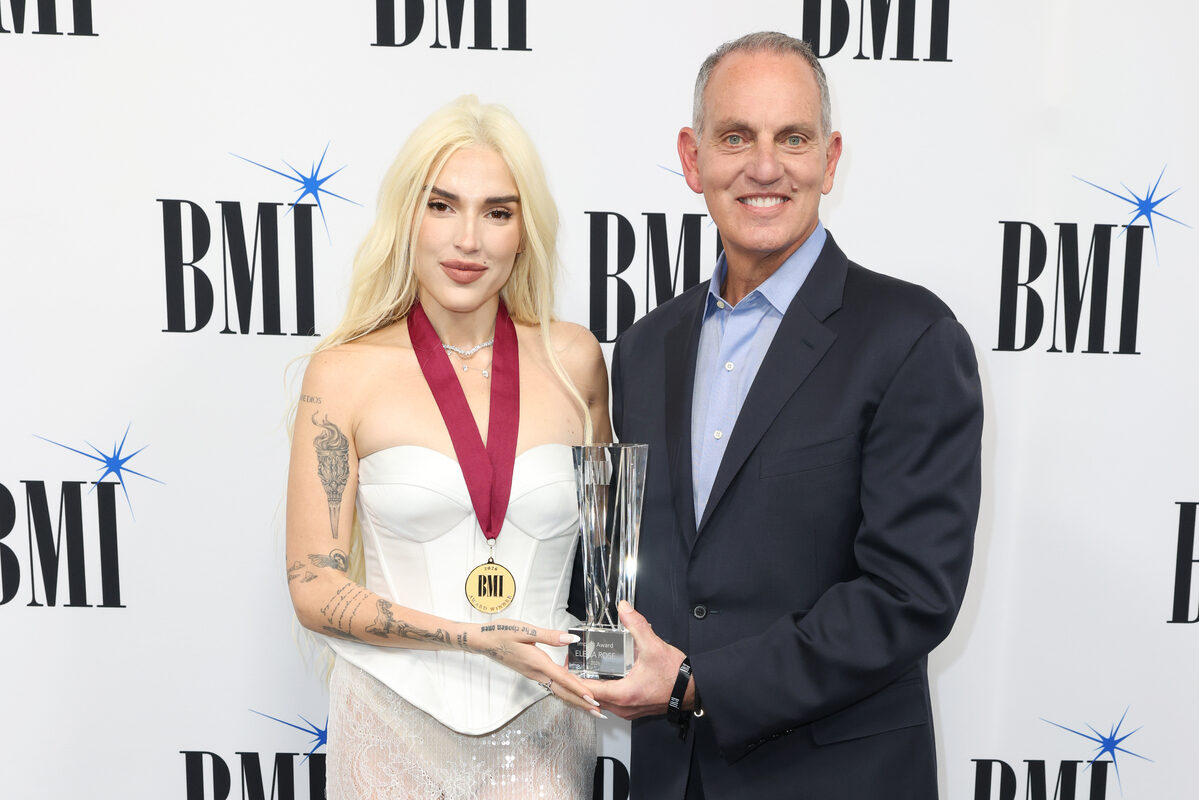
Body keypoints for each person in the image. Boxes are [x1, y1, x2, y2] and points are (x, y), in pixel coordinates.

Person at [586, 32, 984, 799]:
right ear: (691, 157)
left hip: (833, 777)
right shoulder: (643, 348)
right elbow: (640, 567)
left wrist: (699, 683)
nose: (763, 167)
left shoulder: (911, 337)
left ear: (829, 160)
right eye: (735, 136)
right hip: (673, 778)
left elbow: (908, 595)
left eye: (791, 139)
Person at [285, 95, 610, 800]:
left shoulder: (573, 360)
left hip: (543, 719)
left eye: (497, 211)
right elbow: (314, 587)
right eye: (442, 206)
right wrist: (476, 640)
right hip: (388, 713)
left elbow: (613, 564)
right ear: (407, 218)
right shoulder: (343, 373)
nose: (468, 239)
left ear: (523, 231)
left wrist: (618, 651)